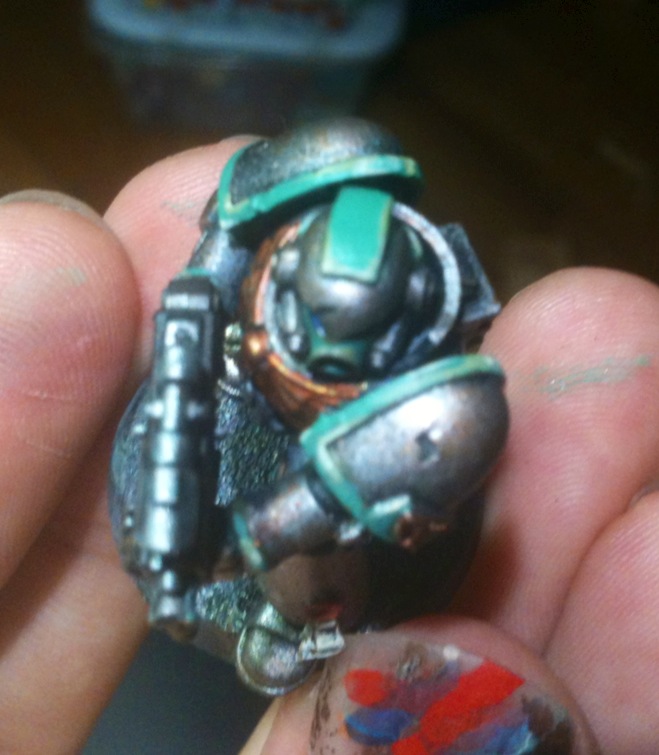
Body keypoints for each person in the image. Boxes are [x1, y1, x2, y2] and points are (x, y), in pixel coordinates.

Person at [0, 137, 657, 754]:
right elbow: (256, 204)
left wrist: (231, 545)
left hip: (349, 556)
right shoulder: (307, 230)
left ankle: (292, 621)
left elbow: (308, 510)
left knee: (322, 528)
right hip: (238, 446)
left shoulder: (451, 413)